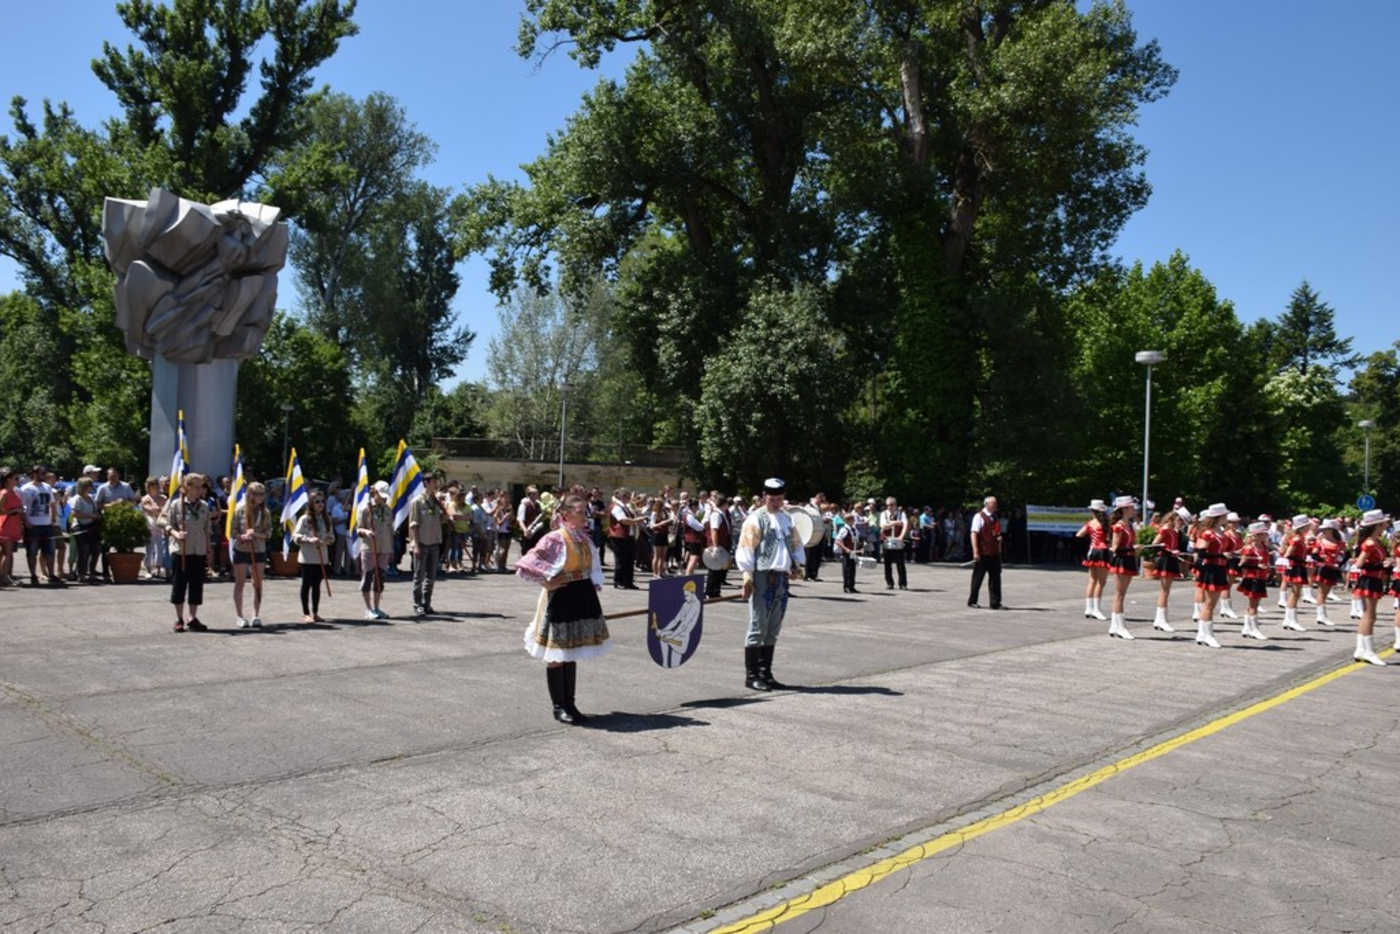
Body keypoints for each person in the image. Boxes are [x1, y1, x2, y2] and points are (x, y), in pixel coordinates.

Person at [516, 493, 610, 724]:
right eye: (580, 511)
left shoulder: (583, 538)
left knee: (571, 651)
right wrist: (547, 582)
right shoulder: (556, 537)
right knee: (557, 653)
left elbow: (591, 567)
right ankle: (559, 707)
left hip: (581, 594)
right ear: (566, 514)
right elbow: (528, 561)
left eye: (585, 511)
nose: (585, 515)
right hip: (562, 595)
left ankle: (571, 703)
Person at [735, 477, 806, 691]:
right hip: (762, 576)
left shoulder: (787, 518)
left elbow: (795, 544)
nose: (775, 503)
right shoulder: (755, 519)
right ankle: (752, 676)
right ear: (764, 496)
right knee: (758, 625)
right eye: (772, 499)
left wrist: (796, 564)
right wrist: (747, 575)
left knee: (773, 627)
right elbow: (746, 547)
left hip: (781, 577)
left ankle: (766, 673)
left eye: (779, 499)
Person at [158, 473, 212, 632]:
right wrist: (176, 533)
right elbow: (164, 522)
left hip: (198, 550)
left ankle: (192, 617)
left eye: (201, 486)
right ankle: (179, 618)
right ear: (186, 487)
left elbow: (207, 529)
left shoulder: (204, 506)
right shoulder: (176, 504)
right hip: (181, 551)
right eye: (196, 486)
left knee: (196, 585)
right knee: (179, 585)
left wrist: (208, 550)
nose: (200, 490)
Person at [1350, 509, 1391, 666]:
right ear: (1377, 525)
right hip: (1370, 580)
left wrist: (1385, 563)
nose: (1386, 525)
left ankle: (1361, 649)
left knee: (1367, 615)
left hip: (1373, 579)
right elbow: (1360, 563)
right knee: (1370, 616)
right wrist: (1381, 565)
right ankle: (1369, 652)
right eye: (1384, 523)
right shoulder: (1370, 543)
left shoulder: (1375, 541)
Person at [230, 481, 272, 628]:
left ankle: (256, 615)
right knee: (240, 582)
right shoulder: (239, 510)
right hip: (242, 549)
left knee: (257, 583)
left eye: (262, 494)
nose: (260, 497)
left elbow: (268, 533)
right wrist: (242, 536)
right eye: (257, 494)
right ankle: (239, 616)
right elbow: (232, 531)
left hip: (259, 549)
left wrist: (257, 535)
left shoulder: (265, 512)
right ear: (250, 495)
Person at [1191, 503, 1232, 648]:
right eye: (1225, 515)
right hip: (1211, 568)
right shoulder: (1208, 533)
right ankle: (1207, 634)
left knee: (1211, 603)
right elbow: (1201, 552)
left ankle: (1202, 634)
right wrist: (1221, 555)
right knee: (1209, 603)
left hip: (1219, 568)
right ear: (1219, 516)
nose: (1227, 517)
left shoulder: (1221, 532)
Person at [355, 481, 395, 619]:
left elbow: (390, 530)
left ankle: (377, 608)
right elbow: (358, 529)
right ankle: (368, 609)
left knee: (380, 579)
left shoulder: (388, 509)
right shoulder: (365, 509)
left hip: (384, 548)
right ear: (375, 493)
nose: (383, 498)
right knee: (367, 577)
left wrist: (391, 549)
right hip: (369, 547)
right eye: (381, 495)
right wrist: (366, 532)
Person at [294, 492, 336, 623]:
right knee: (306, 584)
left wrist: (325, 541)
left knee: (317, 585)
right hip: (307, 557)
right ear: (311, 504)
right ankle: (306, 613)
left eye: (322, 501)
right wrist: (308, 539)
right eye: (317, 501)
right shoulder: (304, 519)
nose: (320, 504)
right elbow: (296, 536)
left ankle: (315, 612)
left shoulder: (327, 519)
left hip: (321, 557)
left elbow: (331, 537)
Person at [1149, 507, 1190, 633]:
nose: (1181, 524)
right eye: (1180, 520)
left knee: (1166, 591)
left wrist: (1174, 552)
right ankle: (1161, 620)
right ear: (1175, 517)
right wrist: (1170, 551)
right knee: (1165, 591)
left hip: (1171, 559)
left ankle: (1160, 619)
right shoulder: (1166, 528)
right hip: (1165, 559)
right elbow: (1155, 544)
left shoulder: (1174, 531)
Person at [19, 467, 60, 587]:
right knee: (32, 552)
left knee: (50, 551)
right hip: (33, 525)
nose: (43, 475)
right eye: (41, 473)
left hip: (47, 524)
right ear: (34, 474)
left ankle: (51, 574)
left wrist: (53, 519)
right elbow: (22, 507)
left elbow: (52, 504)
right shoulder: (25, 489)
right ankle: (33, 575)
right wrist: (25, 522)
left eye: (44, 473)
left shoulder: (47, 487)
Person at [408, 473, 443, 615]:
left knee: (431, 577)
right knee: (419, 576)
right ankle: (417, 604)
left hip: (434, 541)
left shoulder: (436, 501)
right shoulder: (417, 501)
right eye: (434, 482)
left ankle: (427, 603)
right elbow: (413, 524)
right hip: (422, 542)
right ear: (427, 483)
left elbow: (441, 520)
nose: (436, 484)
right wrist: (415, 544)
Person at [1105, 495, 1139, 639]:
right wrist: (1132, 548)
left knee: (1122, 594)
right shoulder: (1119, 526)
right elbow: (1114, 548)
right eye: (1131, 507)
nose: (1134, 509)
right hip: (1121, 560)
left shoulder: (1129, 525)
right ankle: (1120, 626)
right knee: (1119, 594)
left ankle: (1114, 625)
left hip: (1129, 559)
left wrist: (1134, 548)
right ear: (1125, 509)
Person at [1235, 521, 1272, 640]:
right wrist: (1257, 566)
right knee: (1254, 605)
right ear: (1257, 535)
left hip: (1261, 577)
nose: (1266, 535)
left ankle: (1247, 627)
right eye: (1263, 533)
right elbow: (1241, 564)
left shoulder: (1264, 546)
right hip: (1252, 578)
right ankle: (1255, 629)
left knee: (1254, 604)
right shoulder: (1249, 548)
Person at [1076, 499, 1111, 620]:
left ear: (1092, 511)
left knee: (1092, 580)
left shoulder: (1090, 523)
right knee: (1101, 582)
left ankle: (1088, 608)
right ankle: (1096, 609)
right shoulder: (1105, 523)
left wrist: (1091, 537)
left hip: (1092, 551)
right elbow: (1109, 539)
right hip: (1102, 550)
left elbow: (1079, 534)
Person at [967, 495, 1004, 609]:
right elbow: (974, 533)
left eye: (996, 503)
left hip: (994, 552)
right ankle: (972, 601)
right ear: (987, 504)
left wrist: (998, 538)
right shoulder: (979, 516)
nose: (996, 505)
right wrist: (976, 551)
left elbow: (996, 532)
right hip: (983, 552)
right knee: (978, 578)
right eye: (994, 503)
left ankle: (995, 602)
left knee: (995, 578)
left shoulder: (995, 517)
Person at [1279, 514, 1314, 632]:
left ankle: (1288, 619)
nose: (1310, 527)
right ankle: (1292, 621)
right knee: (1295, 594)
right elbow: (1288, 554)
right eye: (1308, 525)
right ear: (1303, 527)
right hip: (1296, 567)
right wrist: (1302, 560)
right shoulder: (1297, 539)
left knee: (1295, 594)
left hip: (1298, 566)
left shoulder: (1300, 538)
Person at [607, 487, 645, 589]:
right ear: (622, 497)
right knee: (621, 560)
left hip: (628, 536)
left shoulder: (624, 507)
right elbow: (623, 520)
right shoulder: (617, 507)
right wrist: (636, 520)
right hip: (619, 537)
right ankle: (618, 581)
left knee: (630, 560)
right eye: (628, 497)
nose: (629, 500)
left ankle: (628, 582)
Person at [70, 476, 102, 583]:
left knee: (96, 550)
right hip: (80, 527)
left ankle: (92, 572)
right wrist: (91, 516)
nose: (91, 487)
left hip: (92, 526)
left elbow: (95, 510)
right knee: (83, 551)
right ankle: (81, 573)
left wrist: (97, 516)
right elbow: (75, 514)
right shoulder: (77, 499)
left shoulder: (91, 498)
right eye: (89, 485)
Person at [704, 493, 733, 598]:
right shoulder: (716, 514)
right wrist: (715, 546)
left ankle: (716, 590)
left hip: (723, 543)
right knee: (714, 568)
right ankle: (710, 591)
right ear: (724, 504)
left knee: (720, 568)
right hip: (718, 544)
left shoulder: (722, 513)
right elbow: (714, 530)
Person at [879, 496, 909, 590]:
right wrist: (895, 523)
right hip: (887, 540)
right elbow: (883, 526)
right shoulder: (884, 514)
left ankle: (903, 583)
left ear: (895, 505)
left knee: (900, 563)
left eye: (891, 505)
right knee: (887, 564)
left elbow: (905, 525)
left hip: (897, 540)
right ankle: (889, 583)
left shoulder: (901, 513)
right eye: (887, 505)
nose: (889, 507)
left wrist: (901, 537)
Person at [0, 467, 22, 587]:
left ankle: (4, 576)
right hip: (6, 525)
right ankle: (4, 577)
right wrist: (14, 510)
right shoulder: (4, 493)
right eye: (15, 478)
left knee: (6, 552)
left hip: (13, 524)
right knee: (7, 553)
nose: (18, 480)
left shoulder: (14, 492)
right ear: (8, 479)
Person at [835, 506, 860, 594]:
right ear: (848, 521)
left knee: (853, 569)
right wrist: (845, 548)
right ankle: (846, 587)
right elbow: (837, 540)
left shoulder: (854, 529)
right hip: (846, 553)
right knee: (847, 570)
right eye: (852, 520)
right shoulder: (844, 530)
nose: (853, 521)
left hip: (853, 552)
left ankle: (852, 586)